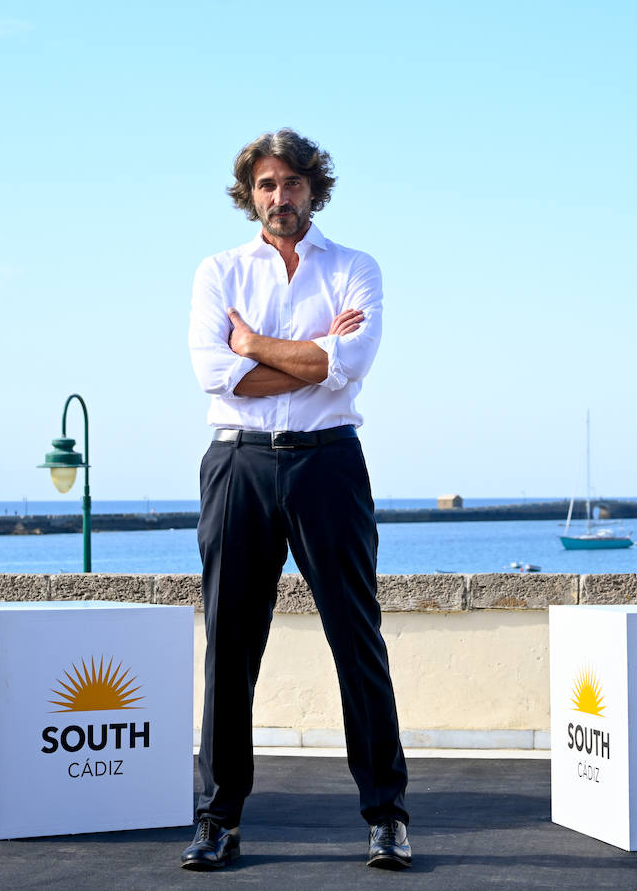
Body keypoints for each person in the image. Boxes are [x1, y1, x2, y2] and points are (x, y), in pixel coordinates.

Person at [182, 128, 411, 872]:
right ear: (249, 194)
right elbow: (217, 376)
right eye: (266, 185)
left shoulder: (355, 269)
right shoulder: (217, 272)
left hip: (328, 466)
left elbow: (350, 366)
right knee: (230, 648)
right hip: (238, 466)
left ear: (316, 187)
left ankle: (386, 816)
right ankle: (218, 821)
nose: (280, 197)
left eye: (292, 183)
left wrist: (254, 345)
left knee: (357, 639)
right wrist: (311, 355)